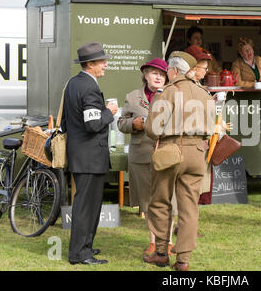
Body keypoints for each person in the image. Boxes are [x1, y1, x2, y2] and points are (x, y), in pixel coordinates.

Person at [143, 51, 215, 271]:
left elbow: (152, 129)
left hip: (171, 151)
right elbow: (211, 128)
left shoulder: (168, 91)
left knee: (160, 202)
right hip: (196, 152)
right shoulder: (204, 93)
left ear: (173, 71)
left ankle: (162, 253)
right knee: (189, 207)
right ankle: (183, 260)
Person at [62, 42, 118, 265]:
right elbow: (93, 124)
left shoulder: (74, 83)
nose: (105, 64)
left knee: (87, 206)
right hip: (90, 158)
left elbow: (68, 121)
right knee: (86, 207)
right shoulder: (88, 87)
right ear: (90, 64)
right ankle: (80, 254)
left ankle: (84, 247)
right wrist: (109, 112)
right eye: (102, 61)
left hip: (81, 155)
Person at [117, 58, 176, 256]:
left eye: (162, 74)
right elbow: (121, 123)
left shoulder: (173, 95)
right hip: (141, 155)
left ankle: (167, 241)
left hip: (167, 153)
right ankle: (153, 242)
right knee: (148, 201)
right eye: (154, 73)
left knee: (168, 198)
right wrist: (133, 124)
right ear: (145, 75)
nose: (158, 77)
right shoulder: (133, 97)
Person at [185, 45, 214, 205]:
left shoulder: (198, 87)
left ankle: (187, 226)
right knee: (190, 188)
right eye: (203, 67)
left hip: (200, 142)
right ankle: (185, 227)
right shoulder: (187, 87)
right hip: (193, 143)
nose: (206, 71)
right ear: (193, 68)